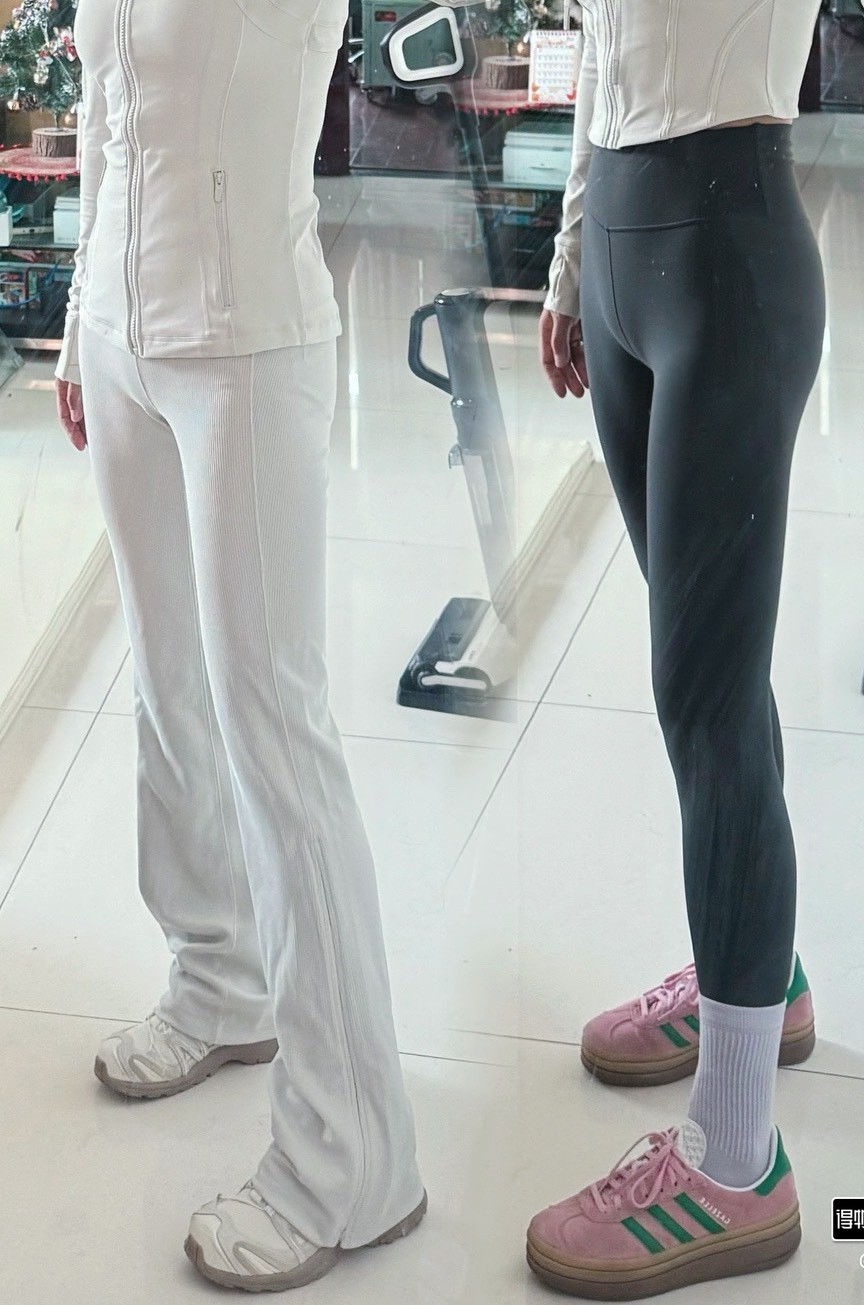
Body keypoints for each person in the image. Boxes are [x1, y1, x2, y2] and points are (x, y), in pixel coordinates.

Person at [53, 0, 425, 1293]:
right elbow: (106, 111)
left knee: (275, 734)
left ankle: (354, 1161)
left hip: (247, 343)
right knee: (168, 690)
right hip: (121, 332)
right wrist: (79, 321)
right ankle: (218, 977)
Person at [529, 0, 826, 1297]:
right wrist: (571, 258)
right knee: (707, 678)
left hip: (725, 259)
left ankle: (736, 1159)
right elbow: (606, 55)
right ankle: (759, 979)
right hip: (622, 251)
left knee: (704, 694)